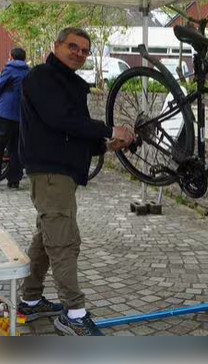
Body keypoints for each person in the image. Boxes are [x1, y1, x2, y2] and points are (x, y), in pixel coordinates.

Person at [18, 27, 134, 336]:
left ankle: (29, 300)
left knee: (47, 237)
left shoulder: (70, 83)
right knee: (65, 241)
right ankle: (72, 312)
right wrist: (109, 130)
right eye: (73, 46)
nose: (79, 53)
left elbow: (74, 133)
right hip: (51, 173)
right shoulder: (41, 77)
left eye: (84, 50)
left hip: (60, 173)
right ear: (56, 46)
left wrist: (105, 145)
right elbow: (61, 119)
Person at [0, 47, 30, 189]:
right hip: (21, 115)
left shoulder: (9, 69)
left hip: (5, 114)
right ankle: (14, 180)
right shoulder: (29, 72)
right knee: (16, 148)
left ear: (11, 57)